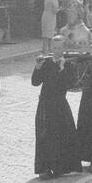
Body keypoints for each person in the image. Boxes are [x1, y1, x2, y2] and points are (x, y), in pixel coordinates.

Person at [32, 37, 83, 174]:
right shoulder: (46, 63)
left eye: (59, 48)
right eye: (54, 48)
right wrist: (37, 67)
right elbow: (35, 82)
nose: (56, 51)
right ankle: (45, 168)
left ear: (63, 48)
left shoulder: (68, 65)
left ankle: (61, 167)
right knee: (44, 136)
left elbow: (71, 84)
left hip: (60, 104)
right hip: (45, 104)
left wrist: (61, 69)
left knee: (62, 135)